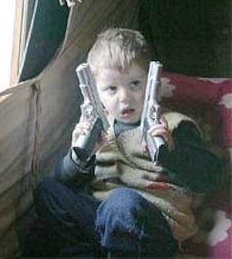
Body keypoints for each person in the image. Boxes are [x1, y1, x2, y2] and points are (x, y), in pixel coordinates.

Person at [22, 28, 222, 258]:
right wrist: (78, 157)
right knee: (49, 190)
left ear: (153, 84)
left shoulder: (174, 125)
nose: (125, 97)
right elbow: (69, 181)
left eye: (135, 83)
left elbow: (210, 176)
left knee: (121, 203)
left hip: (153, 229)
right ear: (97, 95)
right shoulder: (99, 126)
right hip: (103, 222)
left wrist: (172, 153)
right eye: (112, 89)